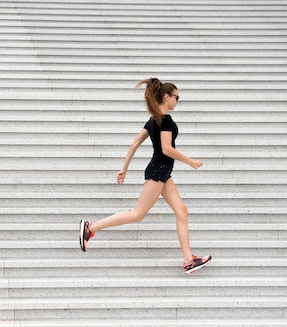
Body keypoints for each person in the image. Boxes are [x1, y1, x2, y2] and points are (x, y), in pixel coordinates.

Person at [79, 77, 211, 275]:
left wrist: (124, 168)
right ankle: (90, 228)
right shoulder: (164, 120)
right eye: (177, 97)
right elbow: (167, 149)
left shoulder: (153, 120)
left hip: (162, 173)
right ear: (166, 97)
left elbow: (134, 144)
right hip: (158, 172)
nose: (178, 100)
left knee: (182, 212)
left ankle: (188, 260)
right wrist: (189, 161)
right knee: (137, 214)